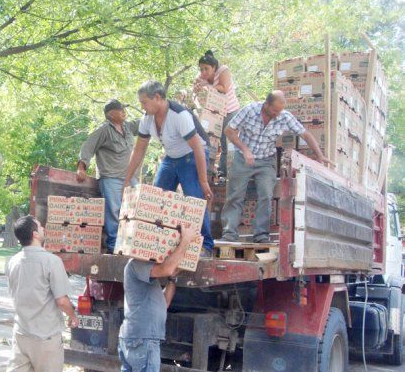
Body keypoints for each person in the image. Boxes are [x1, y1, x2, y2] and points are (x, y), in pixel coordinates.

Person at [221, 91, 331, 243]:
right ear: (266, 105)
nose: (277, 114)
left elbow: (306, 134)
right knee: (235, 195)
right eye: (274, 110)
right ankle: (229, 234)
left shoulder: (284, 116)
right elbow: (229, 130)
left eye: (279, 111)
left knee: (266, 195)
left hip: (266, 161)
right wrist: (245, 149)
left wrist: (319, 155)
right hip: (243, 159)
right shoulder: (249, 110)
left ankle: (261, 235)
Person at [123, 81, 214, 256]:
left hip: (192, 156)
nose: (142, 106)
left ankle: (206, 246)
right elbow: (139, 149)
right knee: (158, 199)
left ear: (157, 98)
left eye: (144, 102)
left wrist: (203, 180)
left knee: (194, 199)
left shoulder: (179, 115)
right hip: (171, 158)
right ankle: (159, 241)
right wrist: (127, 178)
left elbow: (198, 148)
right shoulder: (147, 119)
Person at [110, 225, 195, 372]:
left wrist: (172, 279)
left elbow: (165, 302)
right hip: (143, 337)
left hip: (136, 336)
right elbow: (166, 269)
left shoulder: (148, 278)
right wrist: (185, 240)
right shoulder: (137, 263)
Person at [2, 215, 79, 372]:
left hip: (21, 333)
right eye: (40, 226)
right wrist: (73, 315)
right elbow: (61, 300)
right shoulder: (51, 261)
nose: (43, 228)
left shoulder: (13, 261)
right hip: (46, 337)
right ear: (35, 234)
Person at [77, 99, 140, 253]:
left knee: (132, 211)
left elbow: (143, 123)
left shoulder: (128, 127)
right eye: (120, 110)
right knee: (114, 211)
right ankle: (114, 246)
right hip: (111, 177)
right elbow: (87, 146)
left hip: (130, 177)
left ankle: (130, 245)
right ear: (111, 115)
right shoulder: (104, 130)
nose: (124, 112)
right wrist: (81, 167)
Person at [193, 50, 241, 178]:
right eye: (201, 69)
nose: (203, 72)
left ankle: (227, 172)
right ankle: (209, 172)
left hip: (230, 111)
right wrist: (197, 88)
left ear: (214, 68)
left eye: (206, 69)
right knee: (210, 141)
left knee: (228, 144)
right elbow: (197, 95)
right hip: (213, 114)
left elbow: (224, 88)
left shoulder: (224, 70)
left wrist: (208, 87)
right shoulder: (200, 76)